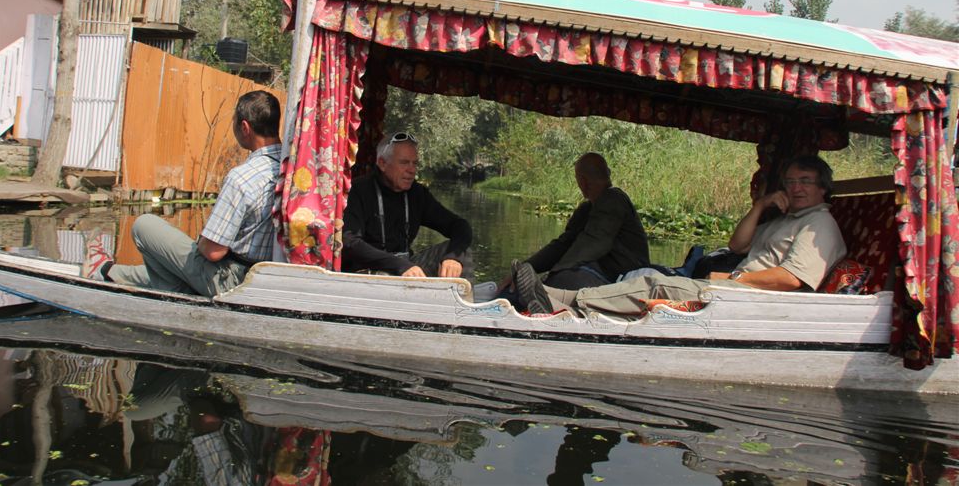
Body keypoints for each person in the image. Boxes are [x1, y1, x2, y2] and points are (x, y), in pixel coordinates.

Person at [514, 154, 846, 317]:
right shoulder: (787, 219)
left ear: (822, 188)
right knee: (650, 280)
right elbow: (737, 244)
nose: (796, 188)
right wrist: (760, 206)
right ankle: (550, 299)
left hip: (748, 298)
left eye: (805, 182)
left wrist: (735, 281)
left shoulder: (819, 225)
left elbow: (790, 279)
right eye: (790, 182)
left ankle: (566, 308)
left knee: (655, 284)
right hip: (738, 287)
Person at [84, 90, 283, 296]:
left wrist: (201, 242)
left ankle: (115, 273)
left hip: (231, 282)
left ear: (244, 127)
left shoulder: (242, 178)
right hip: (262, 277)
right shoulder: (291, 171)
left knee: (144, 225)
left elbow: (213, 252)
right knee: (174, 261)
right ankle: (107, 272)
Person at [502, 153, 649, 294]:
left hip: (626, 281)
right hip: (602, 276)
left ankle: (544, 295)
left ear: (582, 182)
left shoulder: (613, 199)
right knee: (557, 278)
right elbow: (563, 245)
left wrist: (555, 273)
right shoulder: (587, 209)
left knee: (564, 278)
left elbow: (594, 242)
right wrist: (526, 267)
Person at [342, 132, 473, 279]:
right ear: (382, 163)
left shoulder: (417, 193)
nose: (411, 170)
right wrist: (398, 265)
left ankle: (461, 300)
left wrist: (452, 257)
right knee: (386, 272)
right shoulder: (359, 190)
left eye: (414, 163)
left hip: (406, 266)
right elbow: (349, 242)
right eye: (404, 163)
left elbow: (460, 226)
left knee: (461, 252)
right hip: (368, 271)